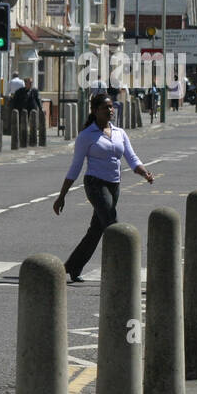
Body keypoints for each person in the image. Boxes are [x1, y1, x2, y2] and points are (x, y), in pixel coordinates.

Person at [53, 93, 155, 282]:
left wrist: (144, 173)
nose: (110, 110)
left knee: (96, 230)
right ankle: (124, 271)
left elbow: (132, 159)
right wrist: (62, 195)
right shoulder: (86, 136)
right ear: (95, 111)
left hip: (114, 185)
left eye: (111, 107)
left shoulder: (119, 133)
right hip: (95, 184)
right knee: (113, 225)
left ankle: (72, 266)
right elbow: (75, 167)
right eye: (105, 108)